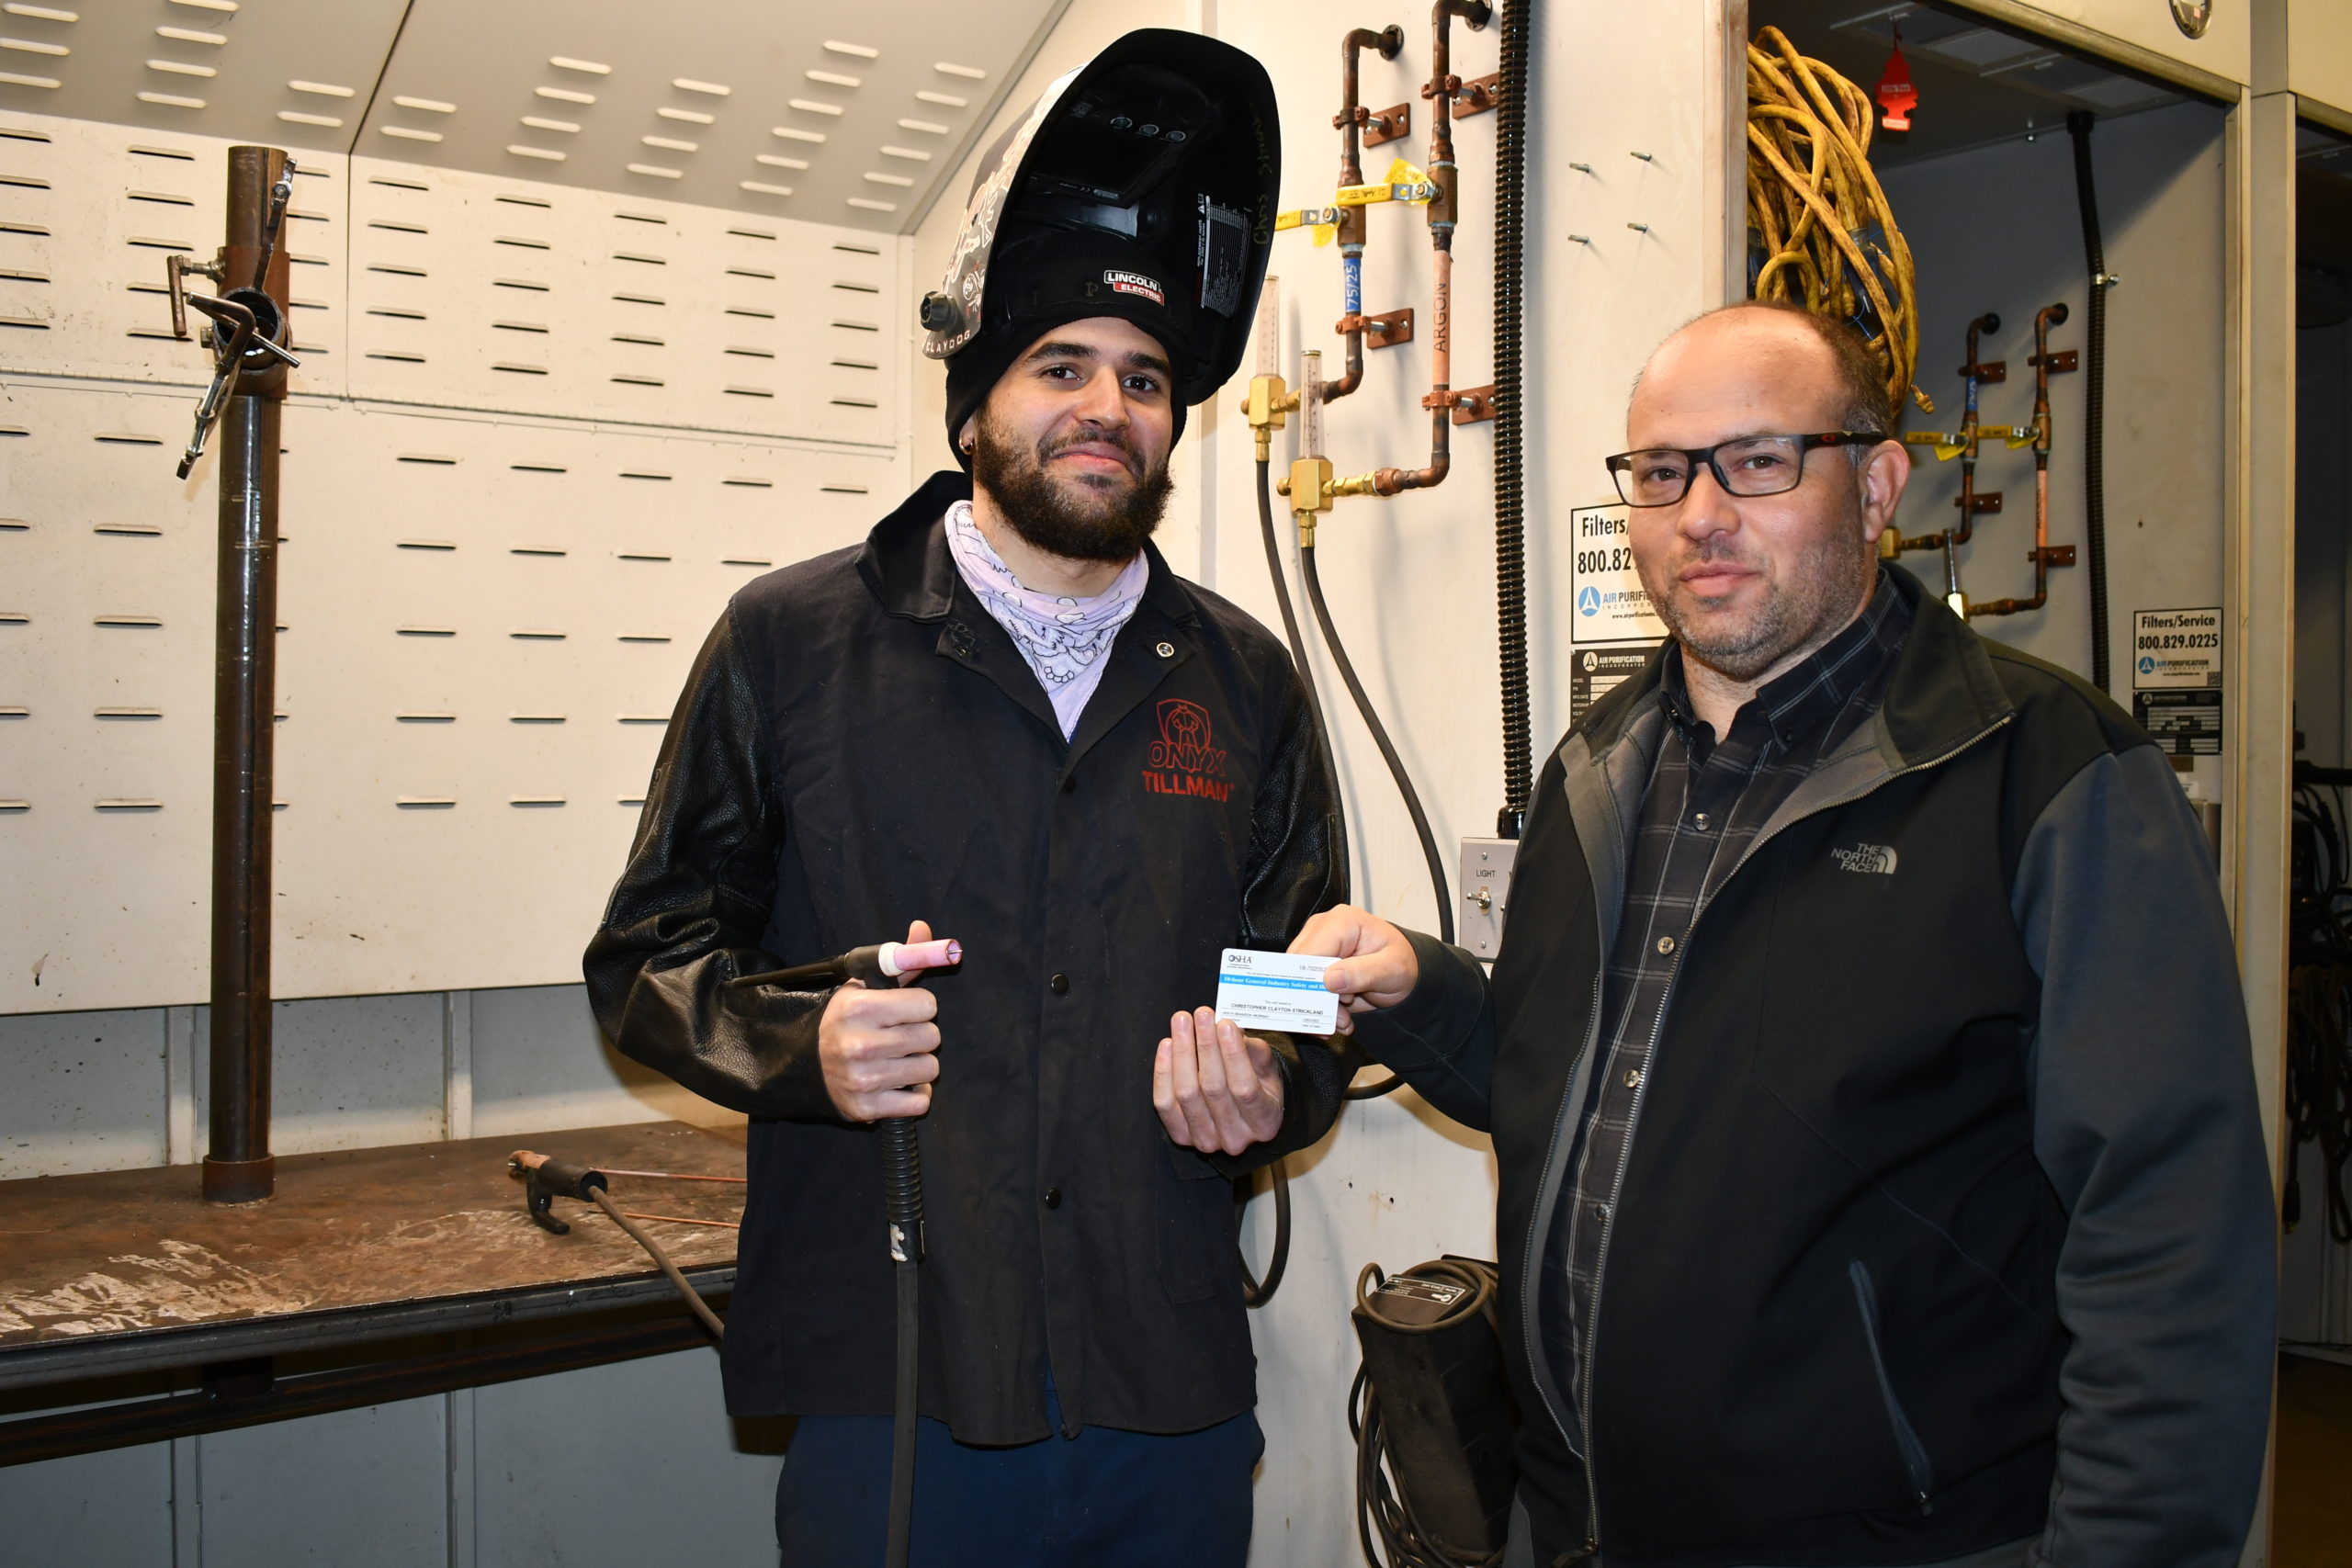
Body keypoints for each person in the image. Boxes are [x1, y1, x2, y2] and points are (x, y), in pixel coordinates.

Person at [1297, 302, 2276, 1567]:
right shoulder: (1598, 771)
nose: (1701, 514)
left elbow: (2172, 1249)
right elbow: (1595, 1097)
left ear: (1876, 486)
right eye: (1663, 472)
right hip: (1584, 1527)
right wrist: (1423, 993)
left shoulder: (2044, 778)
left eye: (1758, 462)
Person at [583, 32, 1345, 1567]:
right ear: (975, 404)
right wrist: (800, 1043)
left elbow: (1298, 963)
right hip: (898, 1382)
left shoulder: (1243, 680)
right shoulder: (793, 645)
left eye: (1144, 379)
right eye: (1061, 367)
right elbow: (649, 958)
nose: (1107, 405)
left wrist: (1274, 1074)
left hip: (1164, 1387)